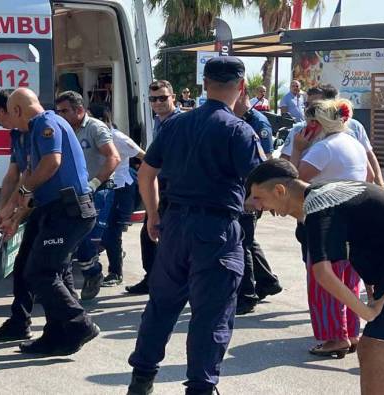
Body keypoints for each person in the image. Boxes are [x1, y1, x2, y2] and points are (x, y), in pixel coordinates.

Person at [246, 158, 384, 395]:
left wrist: (366, 312)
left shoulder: (317, 205)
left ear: (280, 190)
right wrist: (371, 293)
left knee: (371, 348)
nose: (256, 206)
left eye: (258, 197)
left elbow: (322, 273)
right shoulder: (323, 193)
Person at [126, 56, 262, 395]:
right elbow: (259, 183)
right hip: (216, 230)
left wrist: (154, 215)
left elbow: (146, 172)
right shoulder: (239, 130)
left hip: (174, 225)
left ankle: (141, 379)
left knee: (161, 305)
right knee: (212, 313)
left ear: (204, 84)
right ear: (241, 87)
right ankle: (200, 387)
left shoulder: (175, 124)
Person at [1, 87, 99, 355]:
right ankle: (57, 335)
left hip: (68, 211)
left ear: (18, 110)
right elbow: (31, 174)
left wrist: (20, 194)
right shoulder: (35, 129)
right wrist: (14, 210)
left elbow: (51, 163)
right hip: (55, 210)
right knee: (48, 271)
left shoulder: (46, 123)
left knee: (39, 272)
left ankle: (79, 324)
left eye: (11, 114)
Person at [291, 99, 369, 357]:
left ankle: (335, 337)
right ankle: (350, 332)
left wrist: (298, 147)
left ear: (316, 123)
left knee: (324, 282)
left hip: (326, 220)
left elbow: (293, 180)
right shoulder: (354, 144)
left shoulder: (322, 148)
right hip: (355, 219)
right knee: (348, 279)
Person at [0, 89, 37, 342]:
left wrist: (13, 211)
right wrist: (1, 211)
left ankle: (71, 322)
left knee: (39, 269)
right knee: (26, 266)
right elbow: (12, 175)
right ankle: (21, 321)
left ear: (7, 112)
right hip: (29, 202)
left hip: (45, 205)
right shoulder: (17, 135)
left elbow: (29, 178)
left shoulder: (37, 131)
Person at [55, 91, 121, 300]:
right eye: (59, 111)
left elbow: (113, 157)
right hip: (72, 192)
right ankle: (82, 276)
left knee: (85, 237)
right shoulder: (63, 128)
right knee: (71, 237)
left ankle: (92, 272)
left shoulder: (95, 128)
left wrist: (94, 183)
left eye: (65, 111)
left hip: (96, 189)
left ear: (80, 110)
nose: (61, 115)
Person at [126, 79, 182, 295]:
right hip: (161, 184)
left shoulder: (178, 122)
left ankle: (162, 281)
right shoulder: (159, 122)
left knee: (159, 233)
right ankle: (153, 278)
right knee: (151, 232)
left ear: (173, 98)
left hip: (174, 186)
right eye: (153, 99)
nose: (158, 102)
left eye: (163, 98)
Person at [232, 84, 282, 314]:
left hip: (251, 194)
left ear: (241, 95)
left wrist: (255, 196)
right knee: (247, 240)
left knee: (242, 243)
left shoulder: (257, 122)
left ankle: (247, 296)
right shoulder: (235, 119)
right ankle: (268, 282)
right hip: (240, 192)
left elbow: (265, 162)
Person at [280, 84, 384, 186]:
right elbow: (369, 176)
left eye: (316, 106)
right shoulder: (353, 143)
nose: (308, 109)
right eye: (307, 105)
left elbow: (293, 183)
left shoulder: (324, 147)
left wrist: (297, 150)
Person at [88, 104, 145, 287]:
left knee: (112, 232)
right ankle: (112, 255)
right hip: (104, 189)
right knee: (101, 230)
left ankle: (115, 272)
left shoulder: (117, 138)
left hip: (120, 188)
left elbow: (144, 155)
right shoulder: (93, 135)